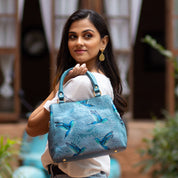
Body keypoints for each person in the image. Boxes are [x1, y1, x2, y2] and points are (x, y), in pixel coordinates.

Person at [26, 9, 127, 178]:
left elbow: (33, 127)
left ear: (103, 42)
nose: (79, 42)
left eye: (87, 36)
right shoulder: (104, 80)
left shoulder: (80, 83)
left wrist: (58, 89)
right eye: (73, 36)